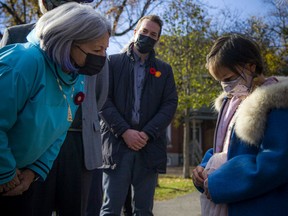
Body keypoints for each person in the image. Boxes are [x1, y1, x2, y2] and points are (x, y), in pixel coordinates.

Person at [0, 2, 110, 216]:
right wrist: (5, 173)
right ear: (68, 41)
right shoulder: (23, 63)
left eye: (105, 49)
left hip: (22, 179)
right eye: (97, 50)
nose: (103, 57)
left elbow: (59, 130)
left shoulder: (75, 77)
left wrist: (34, 171)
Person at [192, 33, 288, 216]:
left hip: (259, 206)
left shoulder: (276, 101)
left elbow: (277, 162)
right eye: (219, 81)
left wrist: (220, 182)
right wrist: (204, 166)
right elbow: (226, 146)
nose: (225, 86)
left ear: (250, 66)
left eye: (228, 78)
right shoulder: (231, 103)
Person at [99, 14, 178, 216]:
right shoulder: (112, 62)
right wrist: (125, 131)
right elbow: (103, 101)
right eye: (144, 31)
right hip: (116, 146)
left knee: (143, 210)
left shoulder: (164, 70)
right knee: (110, 209)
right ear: (135, 32)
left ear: (158, 39)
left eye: (153, 34)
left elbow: (170, 104)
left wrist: (147, 133)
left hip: (148, 147)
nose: (147, 36)